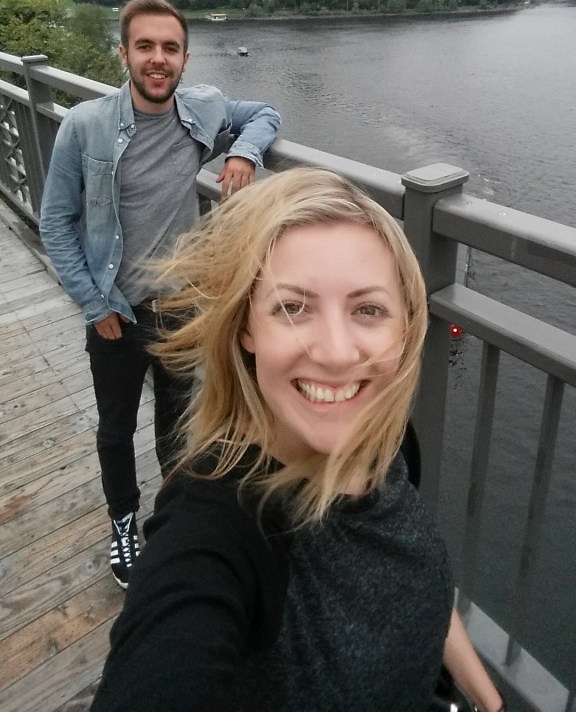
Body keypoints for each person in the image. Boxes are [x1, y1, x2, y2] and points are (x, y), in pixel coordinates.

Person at [91, 168, 505, 711]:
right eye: (292, 307)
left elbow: (410, 575)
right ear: (246, 327)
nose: (336, 353)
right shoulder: (218, 525)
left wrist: (490, 702)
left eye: (368, 309)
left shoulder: (387, 443)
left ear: (405, 327)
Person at [39, 0, 280, 590]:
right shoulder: (84, 125)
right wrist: (95, 307)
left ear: (185, 59)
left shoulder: (201, 110)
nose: (157, 59)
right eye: (145, 46)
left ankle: (170, 522)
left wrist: (245, 153)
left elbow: (266, 113)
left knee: (177, 426)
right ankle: (123, 522)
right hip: (116, 312)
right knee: (115, 429)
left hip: (181, 309)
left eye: (169, 48)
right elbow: (54, 224)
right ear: (123, 53)